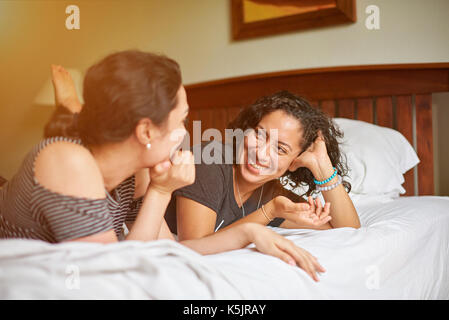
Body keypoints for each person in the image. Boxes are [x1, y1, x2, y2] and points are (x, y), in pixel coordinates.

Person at [0, 51, 325, 282]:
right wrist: (160, 191)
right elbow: (109, 274)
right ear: (145, 132)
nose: (187, 134)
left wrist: (249, 232)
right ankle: (70, 108)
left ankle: (72, 109)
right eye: (181, 121)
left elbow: (171, 250)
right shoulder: (68, 161)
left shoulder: (137, 171)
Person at [165, 91, 361, 241]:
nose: (260, 154)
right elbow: (194, 245)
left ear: (295, 162)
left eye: (280, 149)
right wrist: (269, 212)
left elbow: (348, 229)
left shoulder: (271, 194)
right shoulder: (210, 160)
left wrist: (322, 166)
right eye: (259, 134)